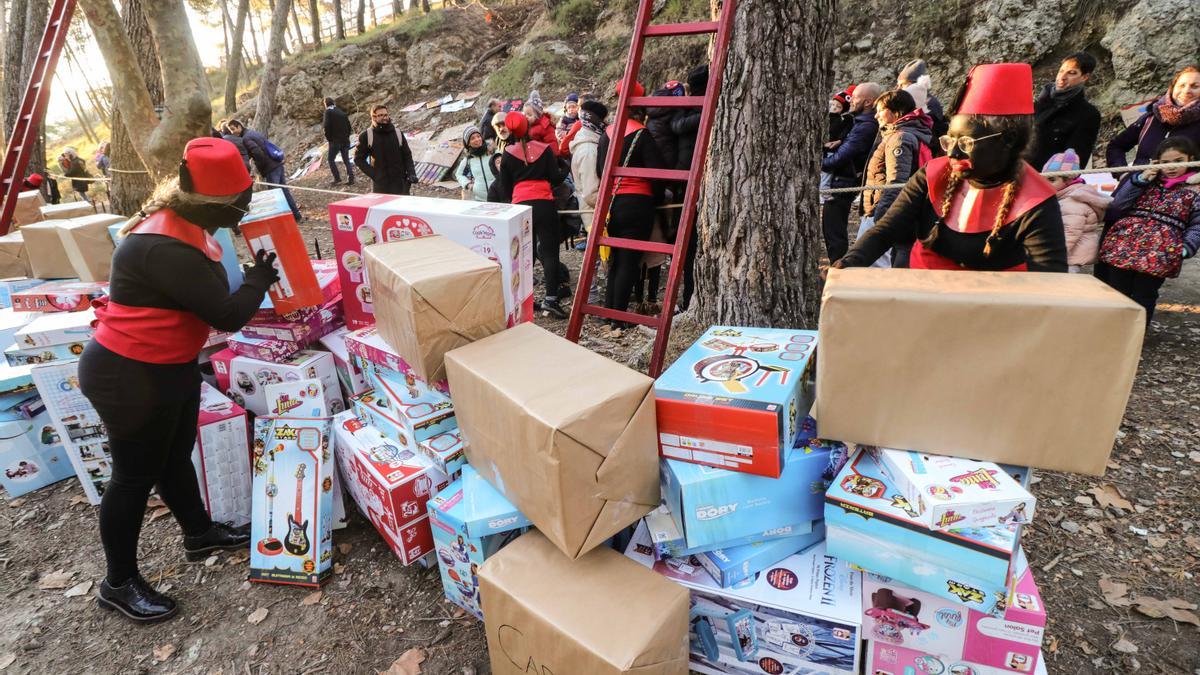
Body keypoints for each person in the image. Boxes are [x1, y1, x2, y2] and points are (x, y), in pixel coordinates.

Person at [80, 137, 280, 623]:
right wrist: (259, 279)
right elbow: (226, 314)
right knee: (133, 477)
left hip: (167, 364)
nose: (246, 209)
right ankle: (118, 582)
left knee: (173, 457)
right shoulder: (163, 245)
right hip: (128, 373)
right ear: (216, 202)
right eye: (242, 202)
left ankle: (198, 532)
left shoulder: (191, 225)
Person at [835, 63, 1067, 272]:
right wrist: (847, 264)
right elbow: (886, 230)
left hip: (996, 311)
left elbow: (1048, 282)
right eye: (949, 141)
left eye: (966, 143)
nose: (953, 153)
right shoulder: (932, 174)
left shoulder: (1036, 200)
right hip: (925, 298)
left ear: (1007, 140)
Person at [1096, 137, 1200, 325]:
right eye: (1166, 162)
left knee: (1145, 294)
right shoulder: (1146, 181)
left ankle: (1135, 335)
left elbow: (1197, 224)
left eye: (1179, 161)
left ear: (1191, 158)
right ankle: (1112, 329)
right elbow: (1119, 205)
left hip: (1160, 253)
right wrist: (1140, 180)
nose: (1172, 167)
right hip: (1124, 246)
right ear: (1157, 163)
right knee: (1117, 291)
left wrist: (1187, 246)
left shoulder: (1195, 190)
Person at [597, 83, 668, 335]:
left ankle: (608, 312)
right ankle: (618, 318)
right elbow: (658, 174)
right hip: (638, 203)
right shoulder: (642, 134)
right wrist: (658, 200)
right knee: (629, 261)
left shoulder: (607, 133)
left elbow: (599, 172)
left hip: (612, 203)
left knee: (615, 259)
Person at [491, 111, 569, 319]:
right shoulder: (544, 150)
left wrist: (517, 196)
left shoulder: (508, 153)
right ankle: (551, 299)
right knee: (550, 252)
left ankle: (525, 298)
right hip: (544, 203)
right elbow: (556, 178)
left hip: (520, 207)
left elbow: (504, 187)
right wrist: (565, 168)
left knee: (523, 254)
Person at [858, 89, 934, 268]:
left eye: (880, 110)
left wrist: (882, 219)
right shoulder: (906, 134)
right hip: (896, 208)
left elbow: (896, 180)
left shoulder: (900, 138)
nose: (876, 115)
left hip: (884, 209)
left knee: (873, 263)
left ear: (896, 111)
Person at [821, 82, 882, 262]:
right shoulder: (858, 122)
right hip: (842, 179)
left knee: (834, 231)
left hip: (843, 181)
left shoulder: (865, 126)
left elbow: (843, 156)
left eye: (855, 97)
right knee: (832, 229)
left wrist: (820, 163)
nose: (851, 101)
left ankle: (838, 268)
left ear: (868, 102)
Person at [1106, 65, 1200, 168]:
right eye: (1181, 85)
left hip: (1186, 183)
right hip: (1138, 181)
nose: (1186, 91)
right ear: (1172, 88)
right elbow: (1116, 146)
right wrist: (1123, 174)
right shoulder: (1150, 118)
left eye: (1195, 86)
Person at [671, 64, 709, 313]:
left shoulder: (686, 108)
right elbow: (678, 126)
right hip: (690, 181)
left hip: (686, 180)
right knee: (692, 245)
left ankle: (689, 299)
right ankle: (689, 299)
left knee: (691, 246)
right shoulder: (694, 109)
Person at [1030, 52, 1102, 171]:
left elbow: (1075, 161)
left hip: (1046, 180)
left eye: (1072, 73)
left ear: (1085, 77)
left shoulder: (1088, 114)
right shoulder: (1036, 104)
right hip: (1014, 175)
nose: (1062, 77)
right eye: (1061, 71)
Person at [1043, 149, 1111, 273]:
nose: (1046, 184)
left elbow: (1069, 233)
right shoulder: (1064, 197)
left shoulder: (1073, 201)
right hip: (1069, 255)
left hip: (1067, 257)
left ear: (1069, 180)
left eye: (1052, 180)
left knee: (1062, 287)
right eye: (1044, 179)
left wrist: (1051, 257)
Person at [226, 119, 301, 220]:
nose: (232, 132)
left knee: (275, 195)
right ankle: (296, 216)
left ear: (239, 126)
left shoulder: (246, 138)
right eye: (230, 130)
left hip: (270, 168)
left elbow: (257, 153)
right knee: (284, 191)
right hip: (277, 164)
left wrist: (260, 167)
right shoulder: (253, 133)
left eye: (233, 129)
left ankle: (285, 219)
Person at [354, 105, 418, 196]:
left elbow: (407, 155)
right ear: (374, 117)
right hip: (381, 186)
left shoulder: (398, 133)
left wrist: (411, 173)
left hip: (401, 184)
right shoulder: (366, 136)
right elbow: (358, 159)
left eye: (386, 114)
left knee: (402, 210)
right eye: (381, 115)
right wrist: (375, 175)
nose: (385, 117)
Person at [571, 100, 606, 233]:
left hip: (592, 213)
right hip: (594, 216)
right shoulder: (589, 150)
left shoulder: (586, 142)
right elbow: (590, 193)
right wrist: (612, 205)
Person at [897, 59, 949, 145]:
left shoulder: (929, 103)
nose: (898, 89)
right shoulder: (916, 101)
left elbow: (929, 134)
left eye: (902, 84)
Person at [454, 126, 494, 202]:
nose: (477, 139)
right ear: (468, 143)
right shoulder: (468, 159)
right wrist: (467, 184)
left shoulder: (493, 152)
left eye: (478, 136)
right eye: (472, 138)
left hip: (498, 197)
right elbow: (458, 174)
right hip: (479, 200)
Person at [322, 96, 354, 187]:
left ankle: (337, 178)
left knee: (331, 160)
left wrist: (329, 139)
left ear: (325, 104)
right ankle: (351, 178)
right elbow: (349, 127)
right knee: (346, 160)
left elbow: (326, 127)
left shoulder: (328, 112)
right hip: (345, 140)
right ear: (334, 103)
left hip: (335, 141)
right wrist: (346, 137)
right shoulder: (341, 112)